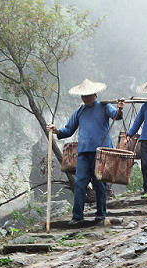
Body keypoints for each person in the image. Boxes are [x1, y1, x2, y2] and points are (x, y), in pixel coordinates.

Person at [47, 79, 123, 225]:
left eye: (88, 95)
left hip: (100, 152)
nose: (86, 98)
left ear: (95, 94)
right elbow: (68, 130)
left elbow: (116, 116)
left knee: (99, 184)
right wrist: (56, 130)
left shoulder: (104, 106)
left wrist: (119, 109)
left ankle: (101, 214)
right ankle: (77, 216)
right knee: (80, 183)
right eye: (83, 95)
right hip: (83, 153)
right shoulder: (79, 112)